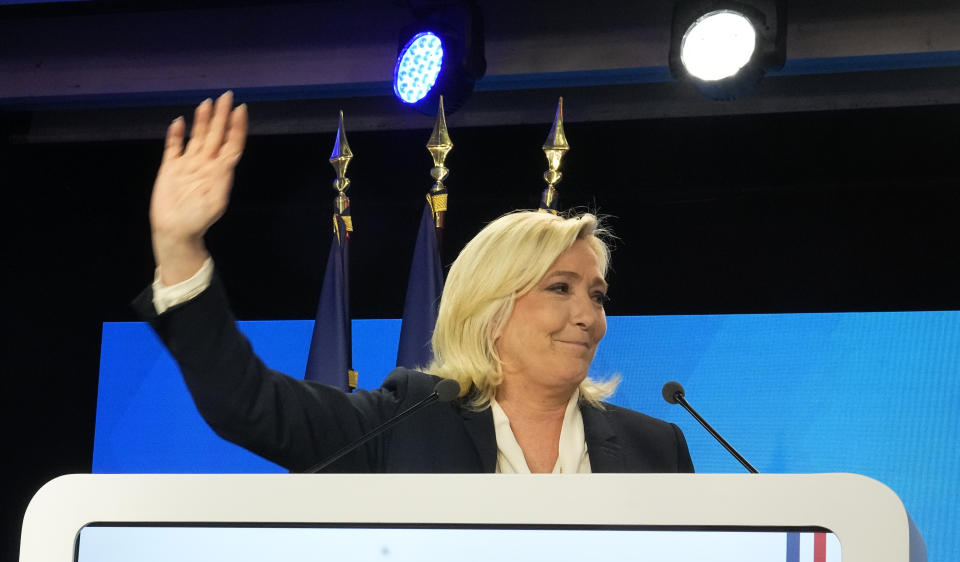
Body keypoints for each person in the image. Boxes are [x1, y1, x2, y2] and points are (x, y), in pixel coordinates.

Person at [138, 91, 694, 474]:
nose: (588, 316)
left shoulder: (656, 448)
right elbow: (250, 405)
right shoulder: (405, 420)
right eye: (560, 288)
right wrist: (179, 250)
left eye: (596, 295)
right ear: (490, 306)